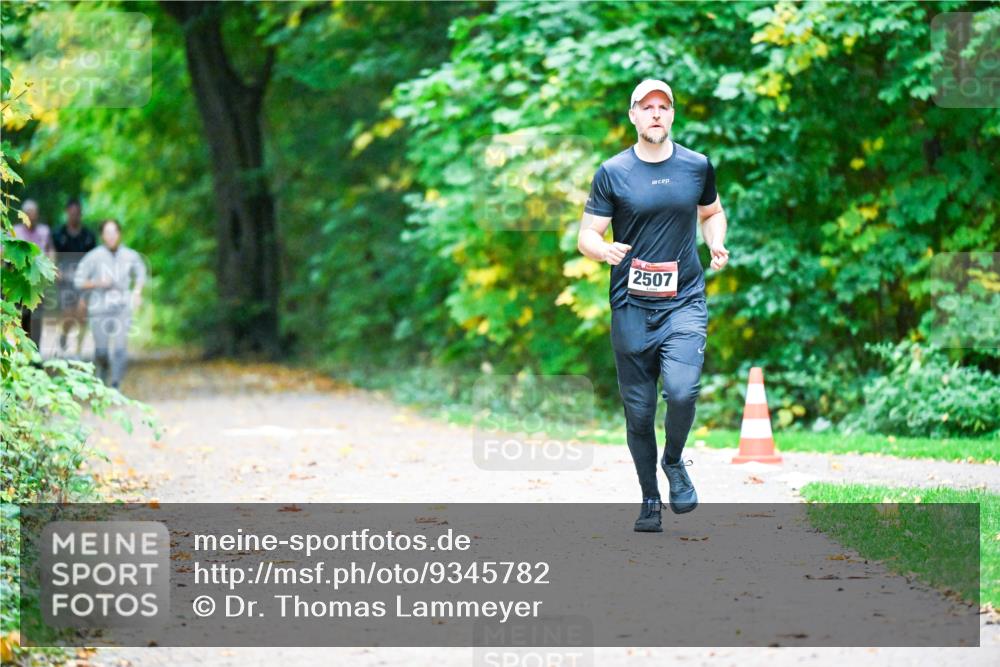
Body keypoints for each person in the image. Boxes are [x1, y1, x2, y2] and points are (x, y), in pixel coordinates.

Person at [577, 80, 730, 532]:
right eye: (647, 108)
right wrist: (602, 250)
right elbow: (586, 234)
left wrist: (716, 244)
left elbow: (712, 212)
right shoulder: (613, 171)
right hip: (631, 304)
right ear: (633, 116)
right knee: (639, 412)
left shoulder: (696, 166)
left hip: (684, 299)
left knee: (682, 391)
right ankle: (649, 499)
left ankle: (675, 461)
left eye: (664, 107)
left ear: (672, 115)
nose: (656, 114)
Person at [74, 219, 146, 389]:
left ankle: (115, 384)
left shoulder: (130, 255)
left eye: (114, 233)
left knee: (120, 349)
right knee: (101, 351)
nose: (111, 237)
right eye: (107, 233)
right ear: (102, 236)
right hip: (99, 308)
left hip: (122, 307)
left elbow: (141, 272)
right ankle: (102, 375)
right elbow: (78, 280)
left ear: (119, 234)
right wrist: (97, 282)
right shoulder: (94, 256)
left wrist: (137, 291)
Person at [53, 197, 97, 356]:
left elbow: (94, 258)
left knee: (82, 314)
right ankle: (64, 336)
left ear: (81, 214)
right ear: (67, 213)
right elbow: (52, 254)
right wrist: (55, 271)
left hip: (84, 280)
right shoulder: (58, 234)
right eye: (71, 213)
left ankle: (78, 350)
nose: (74, 216)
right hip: (65, 280)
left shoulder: (88, 236)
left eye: (77, 213)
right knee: (68, 314)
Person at [12, 199, 55, 349]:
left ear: (37, 215)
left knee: (36, 319)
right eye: (28, 213)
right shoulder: (14, 231)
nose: (31, 216)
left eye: (34, 213)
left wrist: (51, 270)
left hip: (37, 284)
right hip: (19, 283)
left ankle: (35, 354)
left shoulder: (44, 231)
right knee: (20, 318)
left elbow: (51, 252)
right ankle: (21, 353)